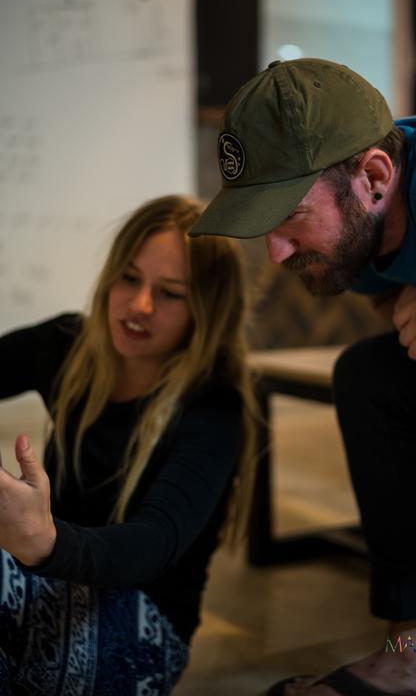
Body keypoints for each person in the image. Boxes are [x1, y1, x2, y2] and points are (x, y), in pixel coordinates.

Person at [188, 57, 416, 696]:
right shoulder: (362, 230)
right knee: (369, 375)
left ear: (373, 175)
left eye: (289, 216)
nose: (275, 253)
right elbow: (398, 305)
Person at [0, 194, 255, 696]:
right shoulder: (69, 342)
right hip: (51, 583)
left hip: (145, 624)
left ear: (206, 309)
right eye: (129, 278)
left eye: (170, 294)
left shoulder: (214, 407)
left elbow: (153, 543)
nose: (140, 306)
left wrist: (43, 541)